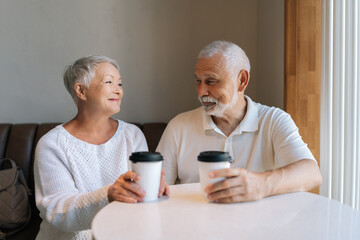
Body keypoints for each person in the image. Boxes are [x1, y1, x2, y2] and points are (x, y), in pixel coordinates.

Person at [156, 40, 322, 203]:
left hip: (259, 227)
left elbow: (311, 173)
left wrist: (261, 184)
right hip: (193, 226)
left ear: (242, 80)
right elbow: (157, 187)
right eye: (198, 81)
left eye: (211, 81)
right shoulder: (178, 127)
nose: (201, 91)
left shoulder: (274, 120)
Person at [34, 55, 169, 240]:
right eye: (109, 82)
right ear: (81, 91)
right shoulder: (51, 144)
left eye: (120, 84)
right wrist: (108, 195)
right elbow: (59, 212)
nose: (118, 91)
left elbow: (140, 199)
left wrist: (152, 188)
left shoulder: (132, 134)